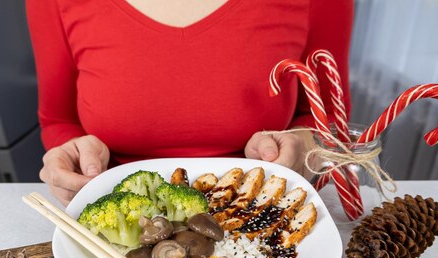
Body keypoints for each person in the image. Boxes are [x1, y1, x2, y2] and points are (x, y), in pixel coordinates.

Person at [27, 0, 353, 206]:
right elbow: (58, 120)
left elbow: (327, 119)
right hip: (120, 220)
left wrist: (300, 147)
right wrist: (72, 157)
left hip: (260, 214)